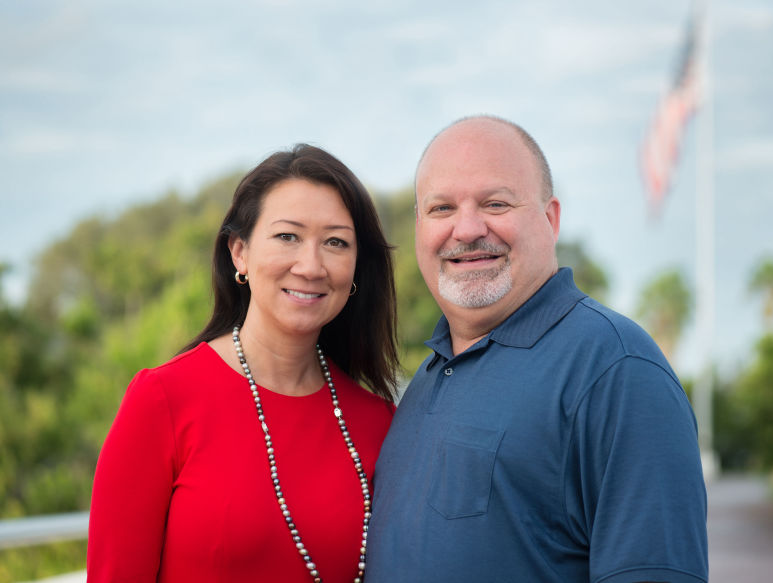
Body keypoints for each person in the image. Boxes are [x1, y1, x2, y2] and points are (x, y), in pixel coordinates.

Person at [365, 116, 708, 583]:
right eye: (442, 208)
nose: (466, 229)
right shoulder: (424, 381)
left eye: (495, 203)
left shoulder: (617, 371)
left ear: (550, 220)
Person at [87, 144, 399, 583]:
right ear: (239, 252)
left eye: (335, 242)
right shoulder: (163, 400)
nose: (311, 266)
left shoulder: (379, 422)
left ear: (356, 269)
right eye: (287, 236)